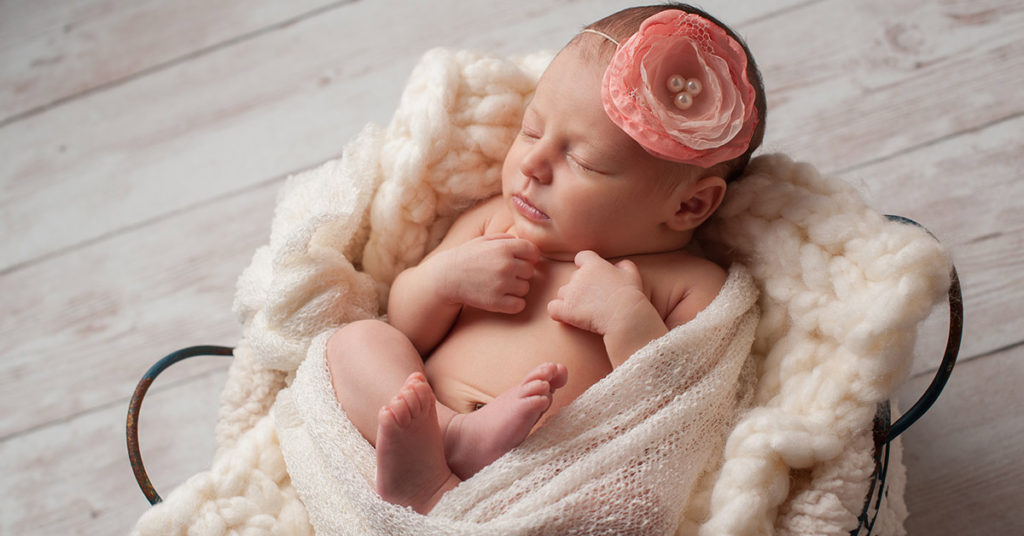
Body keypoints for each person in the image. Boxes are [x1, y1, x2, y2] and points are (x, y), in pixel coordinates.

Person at [325, 3, 766, 514]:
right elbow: (408, 328)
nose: (532, 164)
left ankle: (434, 496)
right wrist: (443, 281)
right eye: (531, 132)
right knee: (356, 342)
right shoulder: (496, 222)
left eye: (581, 161)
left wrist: (628, 319)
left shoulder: (688, 283)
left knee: (628, 502)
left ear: (688, 205)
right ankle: (450, 443)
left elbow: (678, 412)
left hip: (546, 479)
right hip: (417, 430)